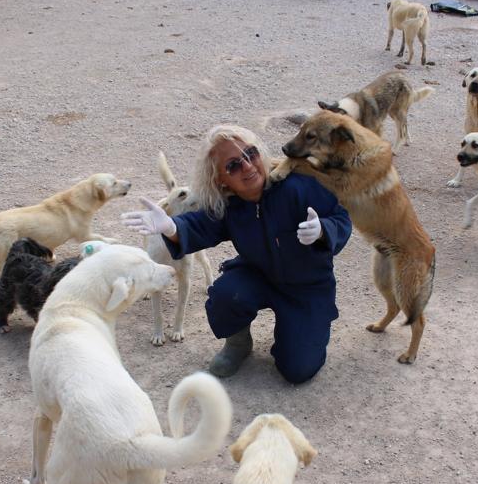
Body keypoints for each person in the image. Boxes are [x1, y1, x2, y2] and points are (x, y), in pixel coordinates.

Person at [121, 125, 352, 384]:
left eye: (251, 154)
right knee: (225, 294)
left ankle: (296, 332)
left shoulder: (299, 185)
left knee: (298, 369)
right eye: (233, 166)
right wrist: (171, 227)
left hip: (307, 287)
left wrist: (323, 229)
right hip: (259, 274)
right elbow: (198, 226)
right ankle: (238, 342)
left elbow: (341, 218)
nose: (248, 166)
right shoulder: (229, 205)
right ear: (220, 179)